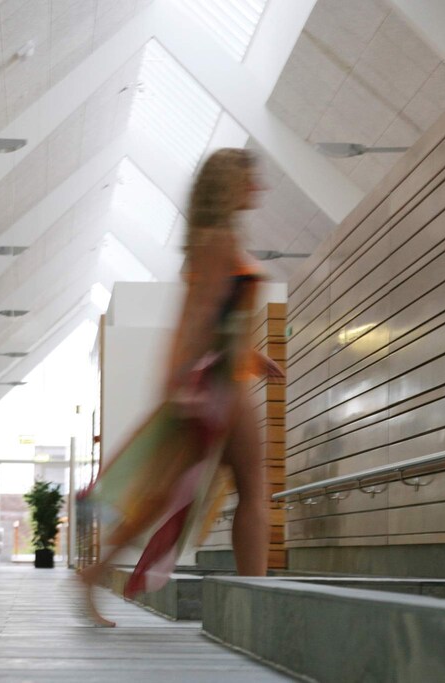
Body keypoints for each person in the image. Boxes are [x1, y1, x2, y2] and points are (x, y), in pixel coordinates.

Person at [77, 148, 284, 627]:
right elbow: (197, 318)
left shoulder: (215, 238)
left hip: (217, 379)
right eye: (251, 178)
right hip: (216, 385)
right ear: (230, 184)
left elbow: (217, 319)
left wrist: (250, 356)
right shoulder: (217, 241)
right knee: (249, 489)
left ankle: (94, 574)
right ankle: (256, 601)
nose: (260, 187)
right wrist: (182, 384)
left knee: (170, 493)